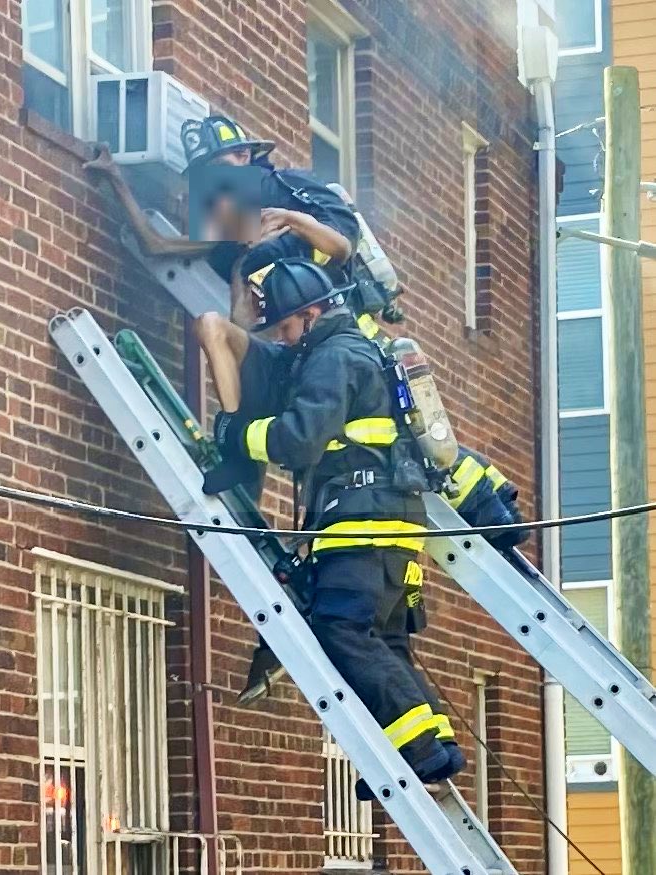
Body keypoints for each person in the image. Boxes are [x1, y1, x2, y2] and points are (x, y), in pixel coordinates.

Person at [195, 257, 467, 794]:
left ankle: (418, 749)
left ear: (312, 314)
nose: (287, 338)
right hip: (391, 526)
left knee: (340, 630)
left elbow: (299, 440)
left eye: (289, 326)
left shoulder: (331, 357)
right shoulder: (358, 351)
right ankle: (435, 744)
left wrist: (236, 433)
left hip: (359, 524)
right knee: (384, 641)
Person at [83, 113, 360, 330]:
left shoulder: (288, 188)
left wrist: (292, 220)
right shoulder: (233, 218)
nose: (215, 183)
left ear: (244, 157)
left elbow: (342, 248)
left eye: (221, 169)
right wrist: (115, 177)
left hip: (328, 319)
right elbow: (156, 244)